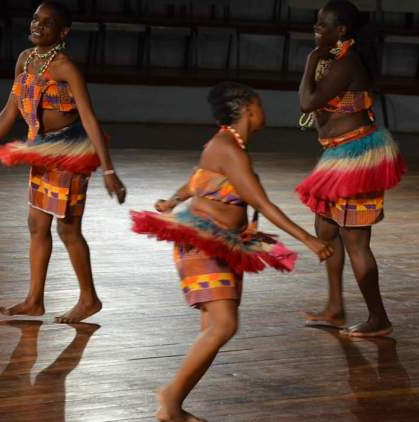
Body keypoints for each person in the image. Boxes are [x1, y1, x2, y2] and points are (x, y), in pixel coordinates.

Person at [131, 81, 333, 422]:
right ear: (248, 109)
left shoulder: (225, 143)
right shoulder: (229, 148)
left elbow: (198, 179)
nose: (263, 110)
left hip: (222, 244)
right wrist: (308, 240)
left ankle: (174, 402)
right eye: (261, 104)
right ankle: (169, 398)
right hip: (203, 244)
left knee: (215, 328)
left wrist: (173, 199)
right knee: (223, 326)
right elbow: (262, 203)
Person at [0, 2, 126, 323]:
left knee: (67, 228)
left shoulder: (65, 67)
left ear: (63, 32)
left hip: (72, 150)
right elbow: (10, 110)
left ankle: (89, 299)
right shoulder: (25, 59)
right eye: (36, 19)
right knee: (37, 224)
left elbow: (89, 118)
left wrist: (107, 169)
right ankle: (34, 300)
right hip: (43, 150)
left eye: (48, 23)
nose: (38, 25)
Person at [297, 0, 406, 337]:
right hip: (337, 156)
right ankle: (335, 307)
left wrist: (311, 59)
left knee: (356, 240)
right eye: (316, 24)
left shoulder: (346, 62)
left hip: (356, 158)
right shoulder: (340, 60)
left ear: (341, 30)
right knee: (326, 229)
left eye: (322, 25)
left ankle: (378, 318)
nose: (316, 30)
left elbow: (307, 102)